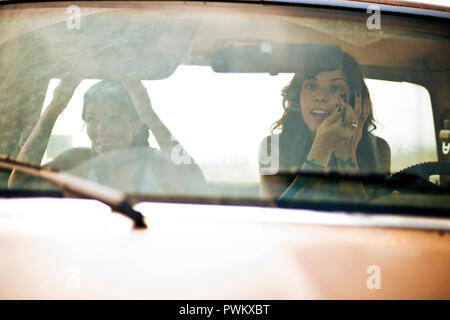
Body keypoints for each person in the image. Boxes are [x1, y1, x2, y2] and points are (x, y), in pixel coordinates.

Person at [9, 79, 207, 194]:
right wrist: (53, 109)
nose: (100, 129)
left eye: (113, 118)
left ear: (137, 122)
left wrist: (150, 116)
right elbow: (19, 184)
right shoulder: (78, 162)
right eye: (91, 119)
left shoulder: (157, 164)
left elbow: (195, 183)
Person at [259, 52, 391, 201]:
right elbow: (275, 217)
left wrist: (347, 156)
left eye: (335, 88)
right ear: (297, 97)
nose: (320, 96)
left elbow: (373, 220)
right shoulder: (272, 147)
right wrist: (321, 150)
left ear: (356, 101)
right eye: (311, 85)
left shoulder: (377, 148)